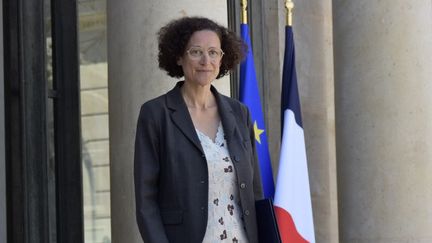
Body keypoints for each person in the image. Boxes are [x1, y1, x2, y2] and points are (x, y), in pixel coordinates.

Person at [134, 16, 263, 243]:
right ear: (178, 57)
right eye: (196, 52)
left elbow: (254, 191)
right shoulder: (156, 114)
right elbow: (146, 201)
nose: (206, 60)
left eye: (214, 52)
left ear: (223, 59)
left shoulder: (239, 113)